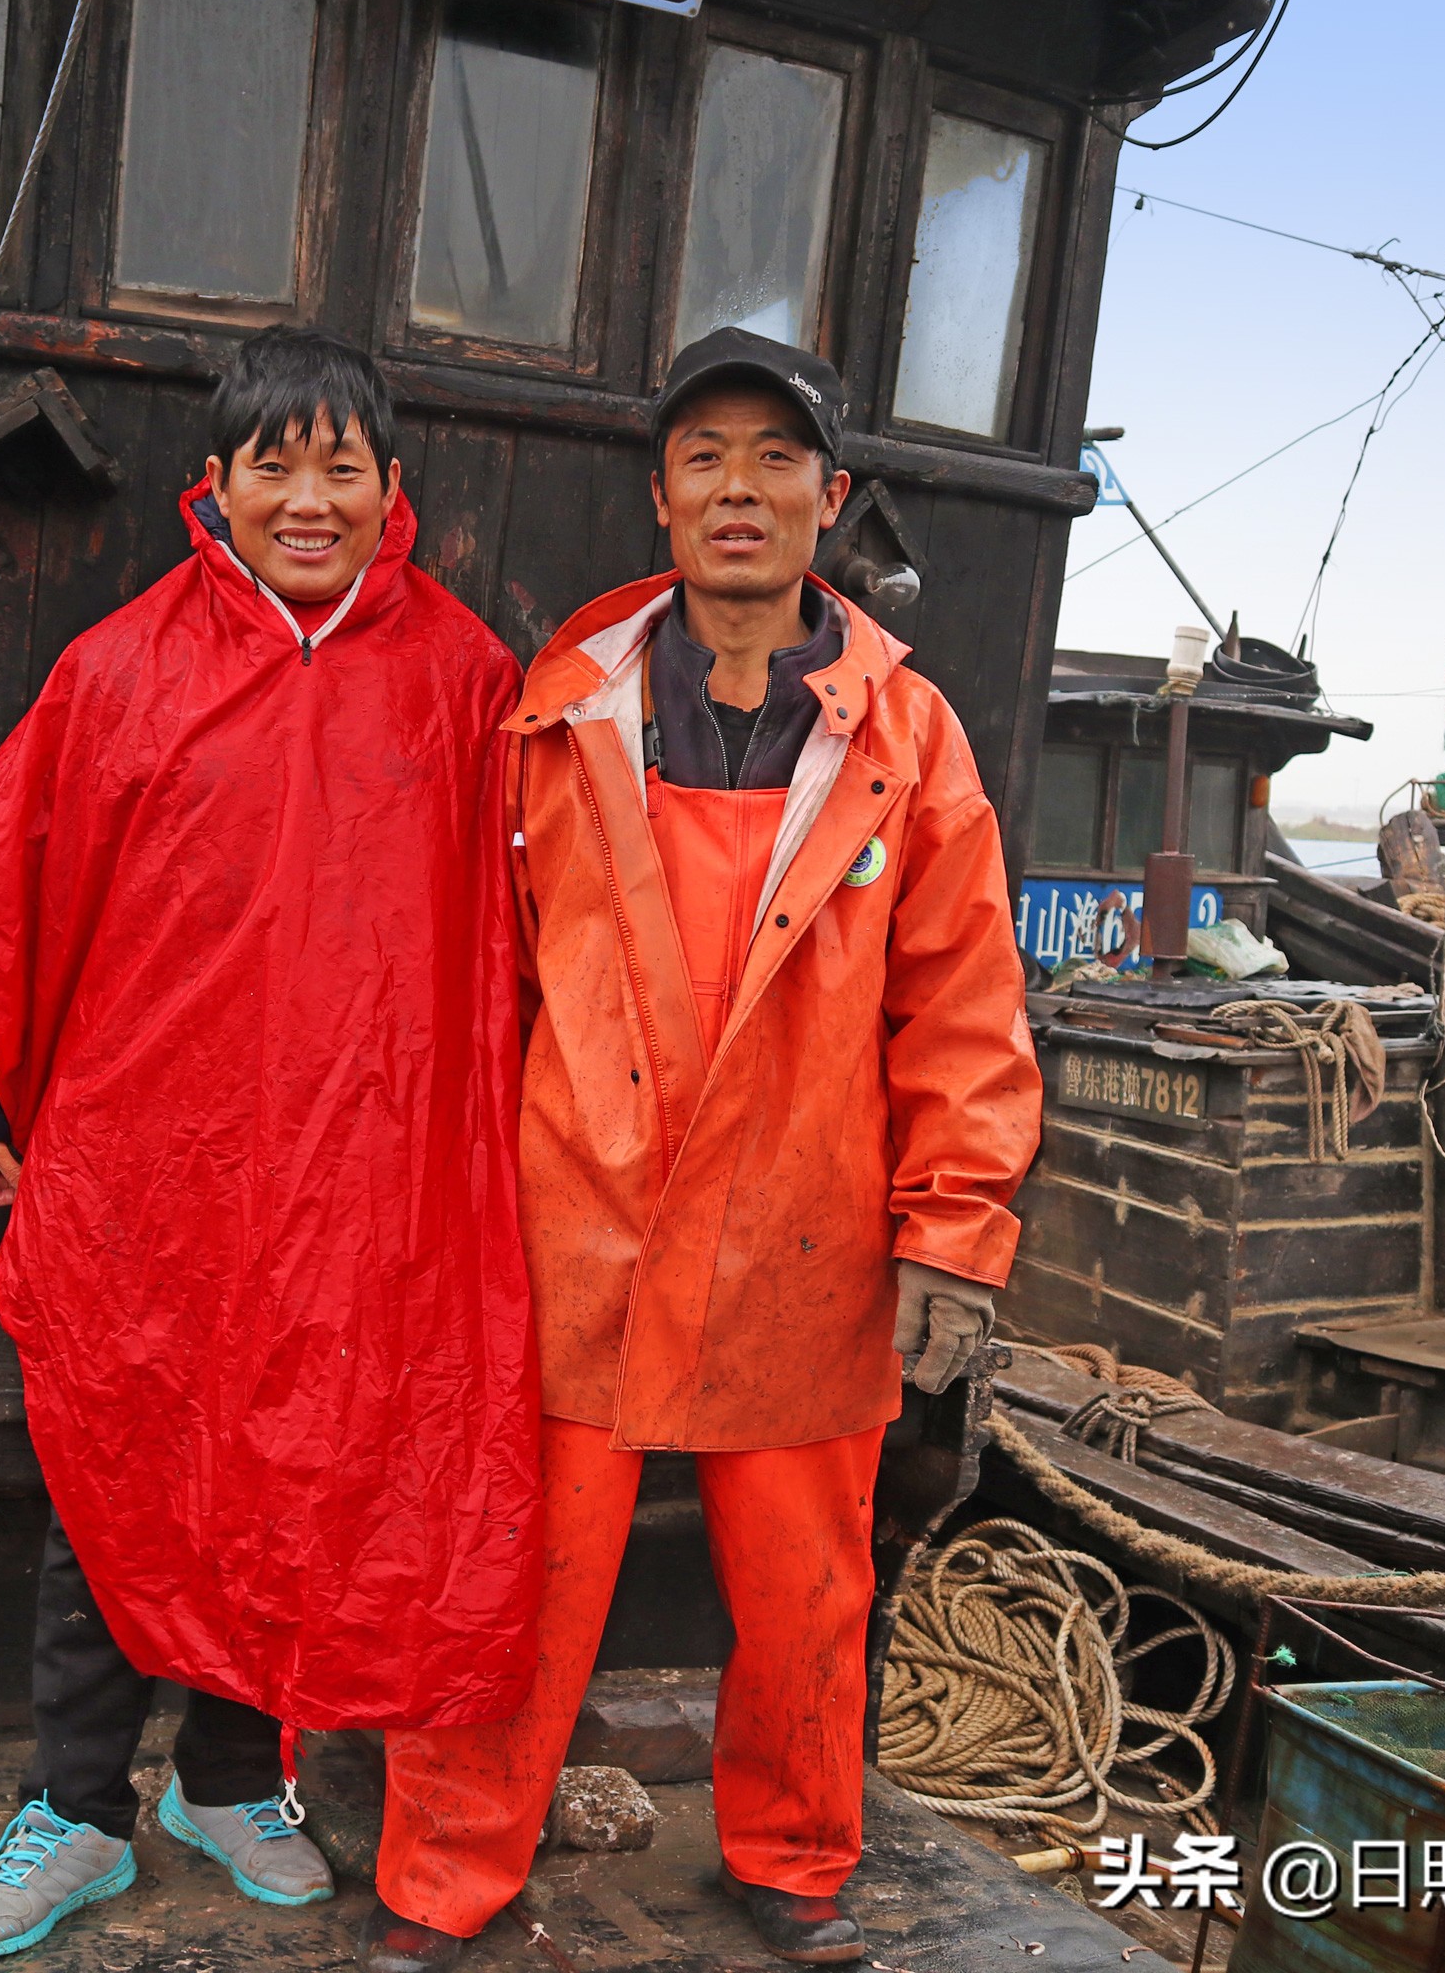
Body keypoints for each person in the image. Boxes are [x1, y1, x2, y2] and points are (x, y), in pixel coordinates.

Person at [360, 329, 1042, 1972]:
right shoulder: (556, 716)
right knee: (509, 1581)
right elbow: (472, 986)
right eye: (706, 459)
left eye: (776, 460)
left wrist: (954, 1229)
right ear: (657, 496)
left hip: (802, 1233)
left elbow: (963, 998)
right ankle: (448, 1872)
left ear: (835, 498)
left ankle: (797, 1858)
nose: (740, 490)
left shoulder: (911, 734)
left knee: (809, 1586)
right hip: (571, 1219)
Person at [0, 326, 538, 1959]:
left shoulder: (465, 679)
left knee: (313, 1470)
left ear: (393, 487)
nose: (310, 498)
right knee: (116, 1475)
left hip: (361, 1171)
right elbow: (4, 869)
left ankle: (235, 1777)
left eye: (343, 465)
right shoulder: (123, 666)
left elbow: (540, 929)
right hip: (152, 1162)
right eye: (279, 464)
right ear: (222, 482)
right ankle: (77, 1807)